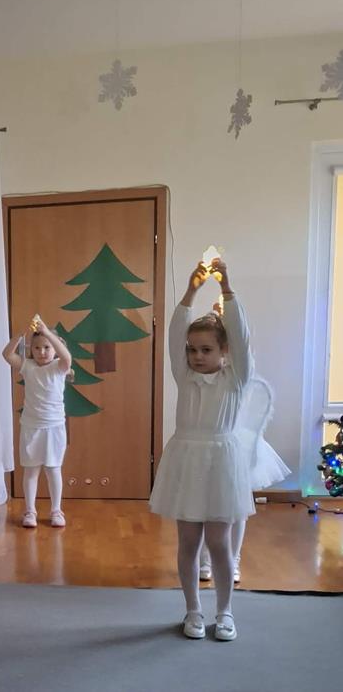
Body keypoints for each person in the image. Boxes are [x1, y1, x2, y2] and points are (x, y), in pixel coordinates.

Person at [149, 259, 253, 641]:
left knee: (220, 543)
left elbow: (241, 337)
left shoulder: (236, 379)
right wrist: (191, 292)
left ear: (225, 351)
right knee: (189, 542)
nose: (196, 356)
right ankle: (192, 609)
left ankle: (224, 611)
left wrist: (227, 287)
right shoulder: (185, 376)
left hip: (221, 462)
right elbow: (176, 332)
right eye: (193, 350)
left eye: (206, 349)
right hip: (188, 461)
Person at [2, 318, 71, 528]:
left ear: (55, 348)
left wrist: (47, 333)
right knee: (31, 471)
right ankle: (30, 511)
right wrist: (20, 334)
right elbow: (7, 354)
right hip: (31, 427)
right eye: (37, 348)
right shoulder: (28, 366)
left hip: (54, 427)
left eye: (47, 347)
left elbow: (67, 357)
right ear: (31, 350)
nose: (42, 352)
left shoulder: (59, 367)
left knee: (53, 469)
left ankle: (56, 510)